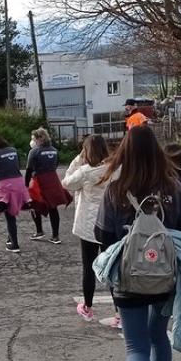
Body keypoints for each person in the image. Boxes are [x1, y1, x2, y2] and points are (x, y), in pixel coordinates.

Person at [95, 125, 181, 361]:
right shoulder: (172, 187)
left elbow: (102, 237)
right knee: (158, 337)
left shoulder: (115, 190)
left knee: (135, 345)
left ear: (124, 152)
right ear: (156, 151)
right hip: (164, 279)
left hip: (127, 280)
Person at [62, 134, 111, 322]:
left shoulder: (84, 171)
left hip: (89, 225)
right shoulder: (115, 169)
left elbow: (66, 183)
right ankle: (119, 313)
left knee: (88, 266)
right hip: (110, 223)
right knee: (112, 265)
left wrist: (77, 160)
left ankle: (88, 307)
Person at [25, 128, 71, 243]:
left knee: (34, 204)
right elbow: (56, 164)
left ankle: (39, 231)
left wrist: (26, 186)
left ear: (39, 138)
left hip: (38, 180)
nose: (33, 141)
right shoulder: (54, 150)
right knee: (53, 207)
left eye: (34, 138)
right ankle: (55, 236)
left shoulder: (34, 152)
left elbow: (29, 170)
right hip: (52, 179)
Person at [0, 134, 29, 252]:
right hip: (19, 182)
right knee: (12, 214)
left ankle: (14, 244)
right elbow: (17, 165)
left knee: (9, 216)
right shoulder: (13, 150)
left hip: (6, 185)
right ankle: (10, 238)